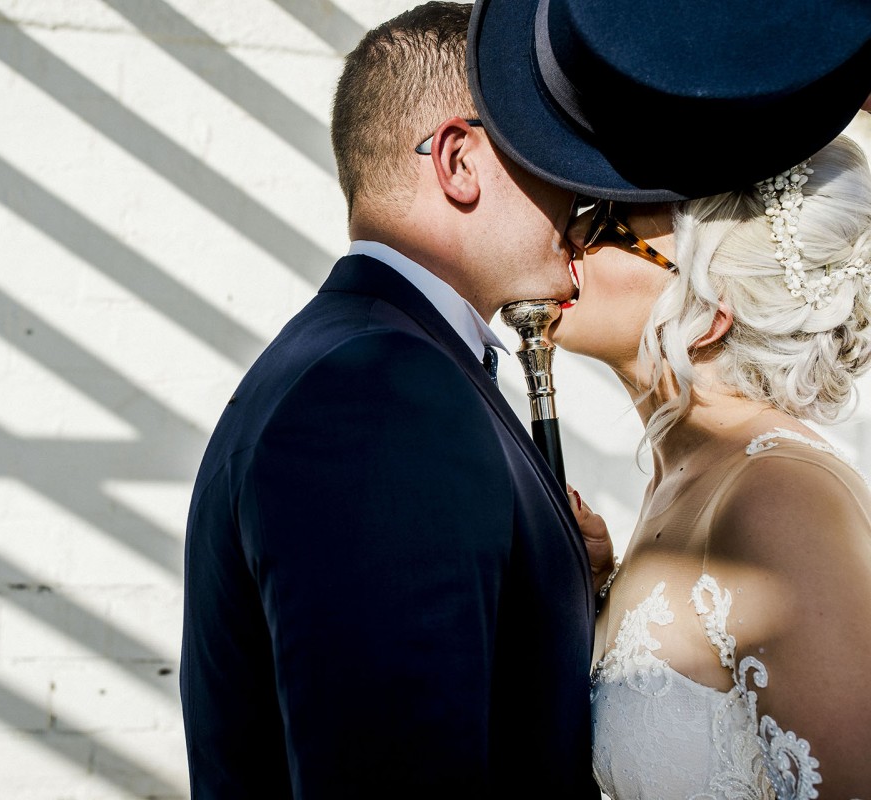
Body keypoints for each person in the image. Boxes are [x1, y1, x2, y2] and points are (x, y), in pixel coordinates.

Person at [179, 3, 609, 796]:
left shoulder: (368, 359)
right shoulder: (378, 393)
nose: (586, 204)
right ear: (458, 161)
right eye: (560, 157)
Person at [465, 0, 871, 796]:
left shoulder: (781, 498)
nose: (572, 231)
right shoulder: (680, 478)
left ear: (710, 309)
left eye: (611, 222)